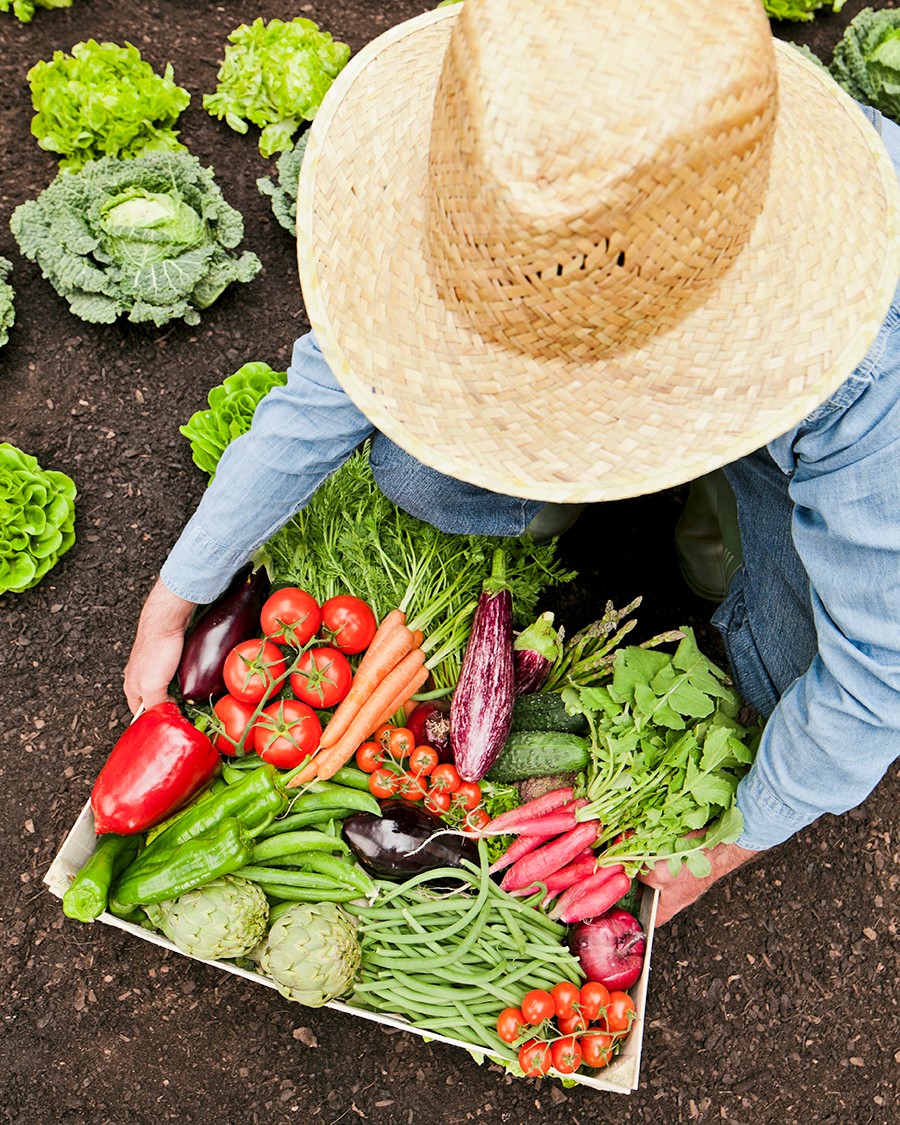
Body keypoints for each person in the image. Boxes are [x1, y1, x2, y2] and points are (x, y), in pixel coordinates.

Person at [124, 0, 900, 926]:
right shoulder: (488, 180)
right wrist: (176, 593)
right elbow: (330, 391)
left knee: (776, 680)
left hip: (835, 427)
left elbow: (877, 677)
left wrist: (726, 844)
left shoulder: (867, 367)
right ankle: (650, 481)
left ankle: (735, 490)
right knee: (417, 469)